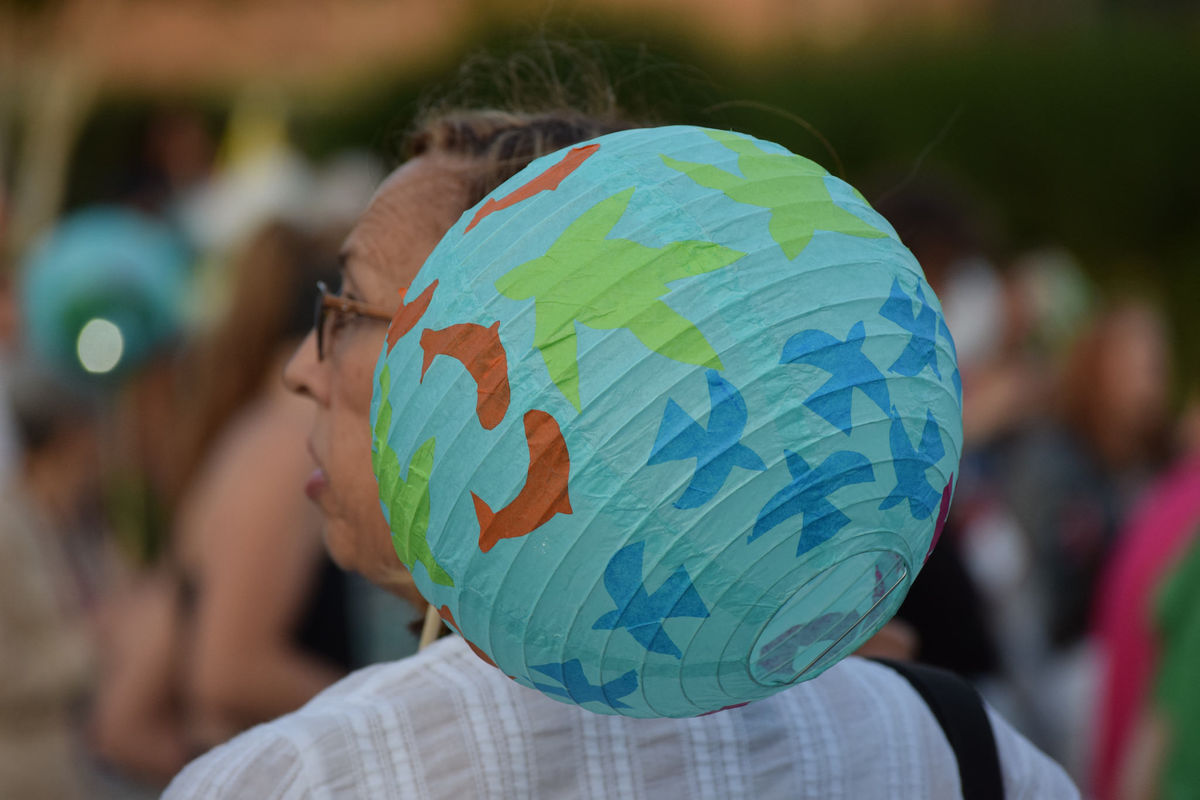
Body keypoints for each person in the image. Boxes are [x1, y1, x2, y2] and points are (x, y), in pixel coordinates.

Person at [165, 101, 1076, 798]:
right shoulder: (957, 753)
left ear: (505, 370)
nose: (299, 368)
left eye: (347, 309)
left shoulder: (303, 777)